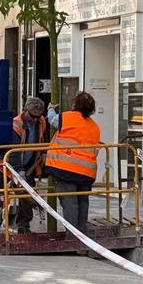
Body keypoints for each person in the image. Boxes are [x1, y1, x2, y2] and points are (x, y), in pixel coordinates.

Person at [0, 97, 49, 234]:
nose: (35, 119)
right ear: (25, 110)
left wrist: (43, 154)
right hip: (5, 165)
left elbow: (42, 139)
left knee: (25, 197)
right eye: (33, 116)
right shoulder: (16, 125)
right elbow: (12, 152)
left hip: (28, 166)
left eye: (38, 116)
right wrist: (19, 170)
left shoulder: (41, 122)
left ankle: (24, 227)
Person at [45, 91, 102, 234]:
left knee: (70, 203)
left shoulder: (66, 117)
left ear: (75, 104)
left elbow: (52, 119)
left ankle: (74, 238)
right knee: (83, 202)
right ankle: (82, 233)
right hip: (87, 172)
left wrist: (50, 108)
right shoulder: (95, 127)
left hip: (65, 169)